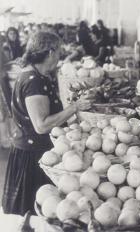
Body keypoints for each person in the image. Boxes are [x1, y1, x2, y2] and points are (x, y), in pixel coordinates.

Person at [2, 31, 93, 215]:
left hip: (34, 152)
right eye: (58, 52)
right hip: (33, 158)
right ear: (50, 52)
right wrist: (73, 108)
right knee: (37, 214)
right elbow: (41, 125)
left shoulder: (37, 75)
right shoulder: (33, 81)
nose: (60, 56)